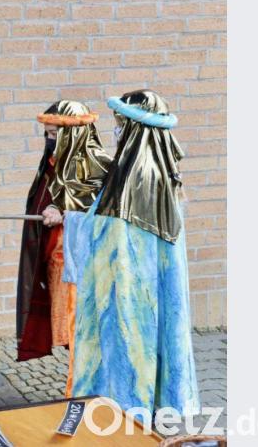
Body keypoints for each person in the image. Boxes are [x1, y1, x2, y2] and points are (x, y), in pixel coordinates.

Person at [62, 89, 200, 415]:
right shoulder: (164, 172)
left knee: (129, 349)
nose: (117, 131)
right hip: (153, 291)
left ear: (136, 128)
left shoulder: (132, 179)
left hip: (128, 292)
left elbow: (109, 237)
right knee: (153, 341)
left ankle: (127, 413)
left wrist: (71, 221)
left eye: (121, 124)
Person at [15, 100, 111, 397]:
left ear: (74, 134)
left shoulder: (98, 163)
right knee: (70, 331)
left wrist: (65, 210)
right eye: (47, 134)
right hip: (56, 263)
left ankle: (86, 391)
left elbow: (102, 212)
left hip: (80, 268)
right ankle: (79, 388)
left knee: (83, 329)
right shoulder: (56, 161)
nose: (49, 140)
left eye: (55, 134)